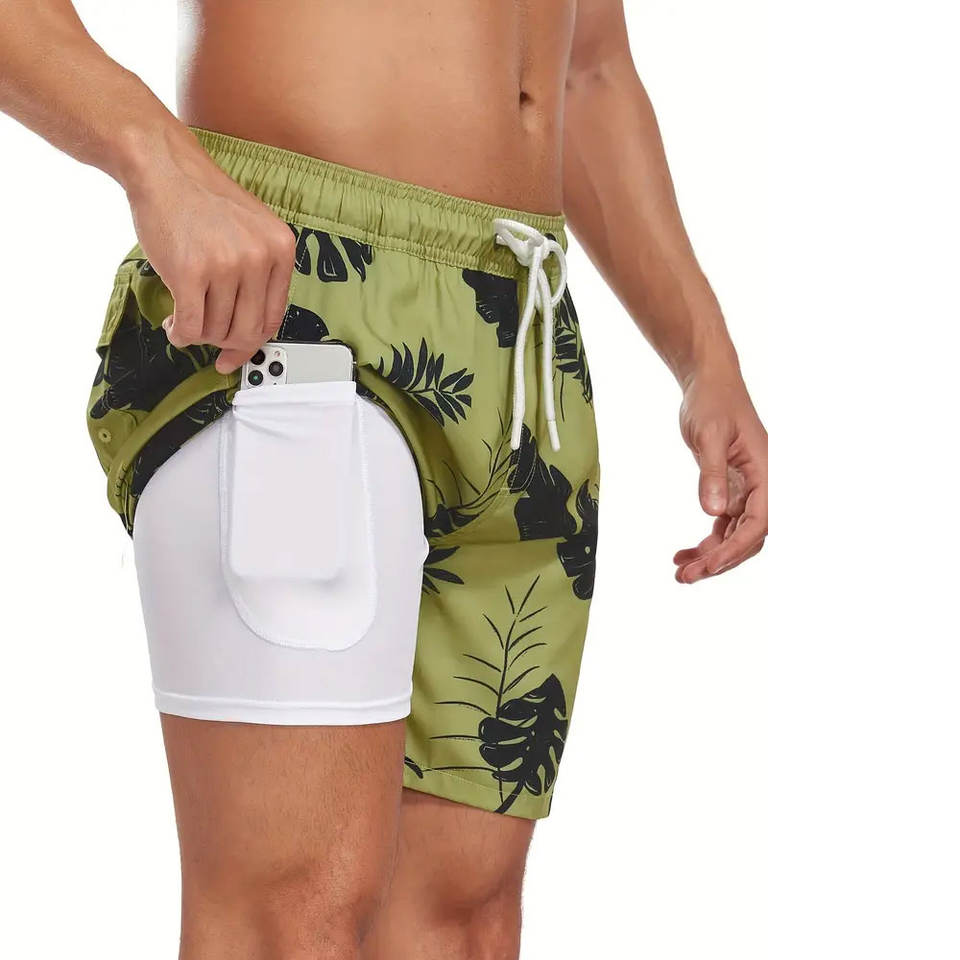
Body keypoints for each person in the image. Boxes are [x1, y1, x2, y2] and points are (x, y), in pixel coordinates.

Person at [0, 1, 768, 957]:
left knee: (459, 925)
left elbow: (589, 68)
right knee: (290, 918)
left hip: (520, 341)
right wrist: (153, 156)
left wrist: (703, 358)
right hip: (299, 296)